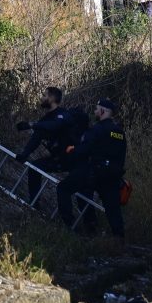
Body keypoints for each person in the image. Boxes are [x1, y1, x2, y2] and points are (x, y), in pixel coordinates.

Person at [57, 97, 126, 237]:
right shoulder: (119, 132)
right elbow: (121, 156)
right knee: (113, 210)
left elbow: (85, 149)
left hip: (94, 173)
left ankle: (69, 226)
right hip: (112, 176)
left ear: (102, 111)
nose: (95, 111)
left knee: (63, 188)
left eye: (96, 109)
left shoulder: (97, 129)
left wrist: (72, 150)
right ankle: (119, 241)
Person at [15, 86, 73, 204]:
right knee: (34, 168)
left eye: (44, 95)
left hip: (72, 159)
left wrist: (31, 124)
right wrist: (25, 154)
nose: (41, 98)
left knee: (77, 190)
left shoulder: (63, 115)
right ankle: (34, 204)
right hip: (58, 158)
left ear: (51, 98)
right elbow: (36, 138)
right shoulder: (46, 118)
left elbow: (55, 125)